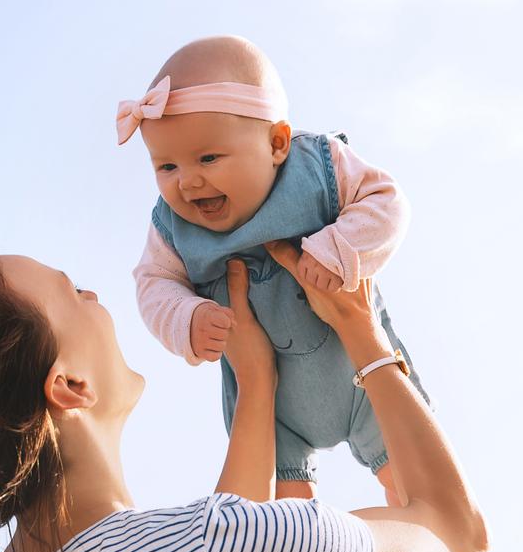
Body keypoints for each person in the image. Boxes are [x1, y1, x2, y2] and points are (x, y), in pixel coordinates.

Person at [0, 240, 487, 552]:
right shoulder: (220, 547)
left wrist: (257, 384)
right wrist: (361, 332)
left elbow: (214, 544)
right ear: (68, 386)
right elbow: (457, 543)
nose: (94, 293)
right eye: (72, 292)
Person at [121, 35, 428, 503]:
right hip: (273, 406)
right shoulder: (171, 230)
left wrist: (339, 248)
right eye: (165, 166)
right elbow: (153, 283)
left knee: (413, 486)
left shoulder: (318, 167)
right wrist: (187, 318)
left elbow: (387, 202)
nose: (188, 181)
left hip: (362, 371)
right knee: (282, 520)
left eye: (208, 157)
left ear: (277, 143)